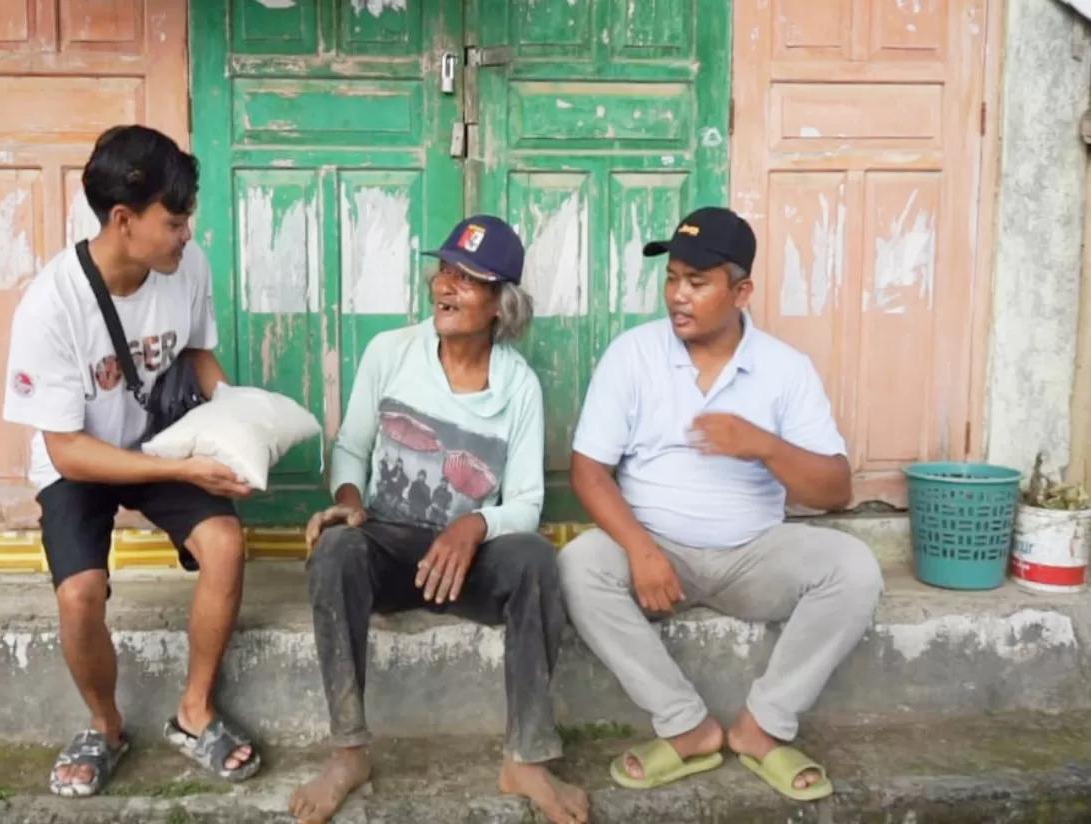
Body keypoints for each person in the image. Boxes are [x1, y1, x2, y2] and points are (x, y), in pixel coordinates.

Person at [558, 207, 882, 802]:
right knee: (577, 565)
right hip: (655, 558)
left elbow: (836, 490)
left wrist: (761, 445)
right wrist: (641, 550)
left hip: (752, 556)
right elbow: (588, 471)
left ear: (741, 292)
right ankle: (687, 726)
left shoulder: (785, 369)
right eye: (672, 279)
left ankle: (762, 727)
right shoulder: (633, 355)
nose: (678, 296)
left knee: (854, 569)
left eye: (697, 283)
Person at [290, 216, 588, 824]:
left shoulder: (518, 387)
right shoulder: (391, 353)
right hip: (390, 547)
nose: (446, 287)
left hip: (468, 565)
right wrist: (350, 499)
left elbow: (528, 502)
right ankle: (349, 751)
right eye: (445, 271)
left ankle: (526, 757)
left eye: (469, 279)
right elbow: (350, 448)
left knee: (534, 558)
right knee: (335, 551)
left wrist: (473, 525)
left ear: (500, 306)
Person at [2, 125, 258, 797]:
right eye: (173, 222)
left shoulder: (186, 266)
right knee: (80, 594)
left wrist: (239, 425)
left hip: (158, 439)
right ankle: (105, 725)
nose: (186, 235)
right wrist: (181, 472)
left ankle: (194, 712)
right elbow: (67, 451)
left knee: (225, 546)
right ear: (123, 220)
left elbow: (199, 358)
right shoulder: (51, 305)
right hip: (83, 459)